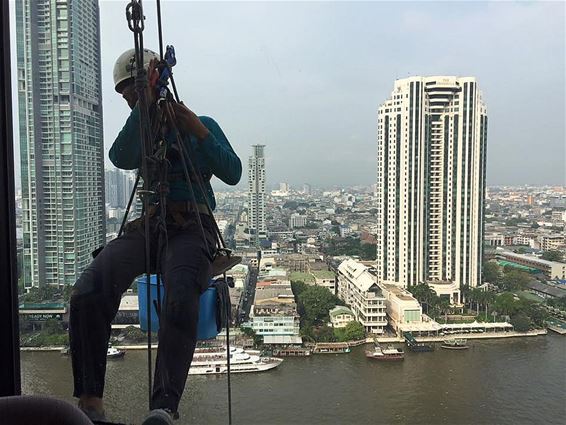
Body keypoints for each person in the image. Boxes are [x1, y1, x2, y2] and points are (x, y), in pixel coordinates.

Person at [69, 48, 242, 423]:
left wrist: (196, 127)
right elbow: (120, 156)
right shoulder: (142, 131)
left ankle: (163, 408)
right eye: (128, 96)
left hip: (191, 229)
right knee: (89, 287)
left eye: (134, 92)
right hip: (150, 226)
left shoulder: (201, 124)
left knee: (181, 296)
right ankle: (90, 400)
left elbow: (232, 172)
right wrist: (145, 112)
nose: (131, 100)